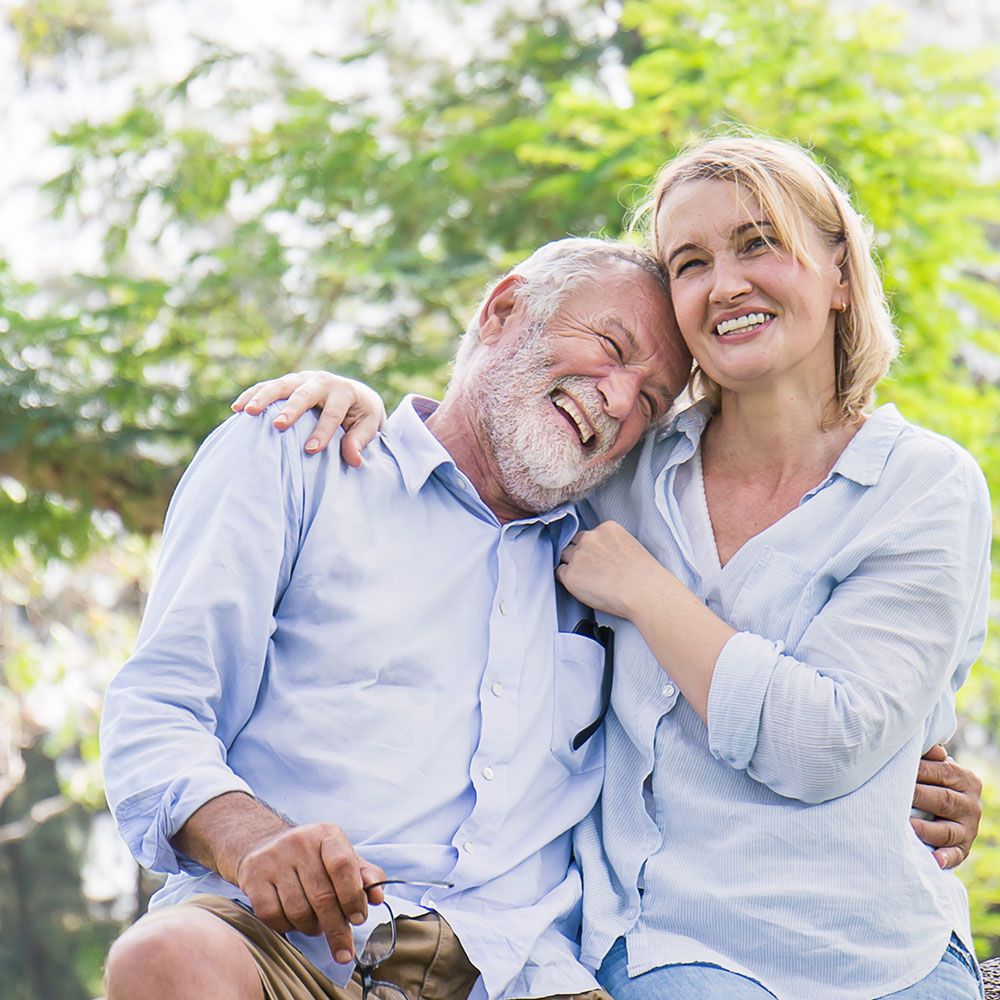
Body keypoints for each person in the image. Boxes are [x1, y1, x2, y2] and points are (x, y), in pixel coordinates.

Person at [248, 136, 991, 999]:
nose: (726, 283)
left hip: (888, 945)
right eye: (689, 263)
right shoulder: (620, 465)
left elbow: (826, 741)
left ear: (838, 270)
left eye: (758, 242)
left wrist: (644, 591)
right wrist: (361, 400)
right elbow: (475, 462)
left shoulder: (925, 486)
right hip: (671, 945)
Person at [99, 238, 692, 1000]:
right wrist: (255, 842)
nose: (616, 399)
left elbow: (779, 637)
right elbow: (158, 709)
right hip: (291, 954)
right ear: (503, 310)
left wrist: (889, 771)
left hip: (522, 979)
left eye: (649, 402)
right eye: (610, 347)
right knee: (167, 957)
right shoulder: (299, 455)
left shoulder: (624, 558)